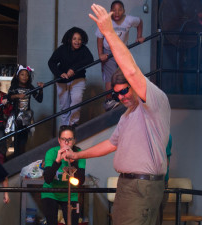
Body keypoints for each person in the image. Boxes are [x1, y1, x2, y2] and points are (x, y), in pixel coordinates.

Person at [65, 4, 171, 225]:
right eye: (116, 94)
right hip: (129, 185)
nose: (121, 97)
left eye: (124, 91)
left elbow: (131, 70)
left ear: (134, 86)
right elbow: (111, 145)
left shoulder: (153, 100)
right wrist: (77, 155)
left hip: (141, 187)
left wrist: (109, 32)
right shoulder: (128, 115)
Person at [96, 0, 145, 111]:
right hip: (108, 51)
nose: (117, 13)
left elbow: (140, 22)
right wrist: (101, 54)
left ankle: (127, 95)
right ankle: (109, 99)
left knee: (125, 73)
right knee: (109, 75)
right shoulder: (106, 21)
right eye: (114, 10)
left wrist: (139, 36)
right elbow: (99, 38)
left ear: (124, 11)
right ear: (110, 12)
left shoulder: (129, 19)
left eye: (119, 10)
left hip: (122, 50)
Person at [48, 27, 94, 126]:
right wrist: (60, 73)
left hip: (78, 80)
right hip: (62, 81)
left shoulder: (84, 49)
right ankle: (64, 129)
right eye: (74, 39)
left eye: (79, 39)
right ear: (69, 39)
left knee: (76, 104)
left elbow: (90, 59)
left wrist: (74, 68)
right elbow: (51, 62)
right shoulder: (62, 49)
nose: (77, 41)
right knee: (64, 108)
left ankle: (73, 126)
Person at [41, 125, 86, 225]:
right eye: (63, 139)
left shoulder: (79, 153)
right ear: (59, 140)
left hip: (71, 193)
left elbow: (81, 181)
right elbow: (47, 178)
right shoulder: (52, 153)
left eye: (69, 139)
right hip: (51, 192)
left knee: (73, 222)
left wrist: (73, 160)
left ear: (74, 140)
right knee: (51, 221)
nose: (66, 143)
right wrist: (57, 161)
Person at [6, 65, 44, 157]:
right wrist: (17, 96)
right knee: (16, 138)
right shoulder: (14, 87)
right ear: (18, 76)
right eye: (22, 74)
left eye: (26, 75)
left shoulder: (30, 87)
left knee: (24, 138)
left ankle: (22, 157)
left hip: (26, 116)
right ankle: (16, 157)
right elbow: (8, 98)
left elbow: (39, 99)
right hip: (16, 115)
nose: (24, 77)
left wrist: (41, 89)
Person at [156, 134, 172, 225]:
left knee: (155, 219)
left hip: (158, 182)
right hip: (153, 182)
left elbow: (164, 163)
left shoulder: (164, 135)